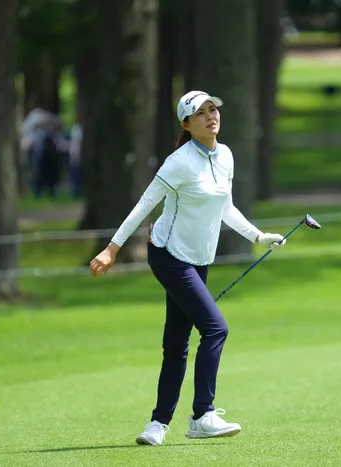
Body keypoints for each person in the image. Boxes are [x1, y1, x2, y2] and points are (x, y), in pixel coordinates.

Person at [88, 91, 287, 446]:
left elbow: (225, 207)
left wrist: (259, 236)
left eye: (213, 110)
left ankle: (157, 424)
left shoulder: (225, 155)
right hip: (168, 254)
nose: (211, 116)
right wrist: (112, 248)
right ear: (186, 123)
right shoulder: (178, 162)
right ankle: (202, 415)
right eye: (201, 113)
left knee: (176, 343)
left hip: (198, 259)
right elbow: (144, 205)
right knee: (216, 328)